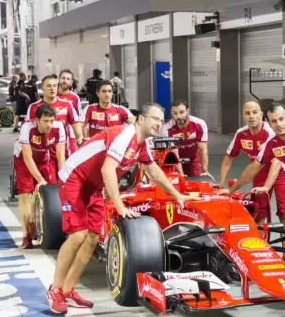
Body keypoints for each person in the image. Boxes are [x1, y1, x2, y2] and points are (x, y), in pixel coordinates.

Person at [46, 103, 198, 314]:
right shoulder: (125, 135)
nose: (158, 124)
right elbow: (107, 169)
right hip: (74, 180)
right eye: (155, 119)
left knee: (92, 238)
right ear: (141, 119)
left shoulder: (142, 144)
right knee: (78, 235)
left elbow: (154, 172)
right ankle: (55, 290)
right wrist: (120, 207)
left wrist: (177, 195)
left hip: (93, 186)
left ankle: (69, 289)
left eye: (161, 121)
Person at [218, 101, 285, 228]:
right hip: (259, 173)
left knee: (284, 214)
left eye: (255, 112)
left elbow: (276, 162)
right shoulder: (241, 134)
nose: (251, 116)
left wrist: (267, 186)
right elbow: (228, 158)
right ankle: (260, 245)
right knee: (258, 213)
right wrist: (221, 182)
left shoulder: (270, 132)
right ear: (243, 116)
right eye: (247, 113)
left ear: (261, 114)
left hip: (282, 173)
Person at [13, 105, 66, 249]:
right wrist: (40, 180)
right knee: (26, 195)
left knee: (53, 194)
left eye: (51, 121)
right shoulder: (27, 128)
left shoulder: (59, 127)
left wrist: (63, 180)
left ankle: (45, 228)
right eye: (45, 121)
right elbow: (28, 158)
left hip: (44, 158)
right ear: (37, 120)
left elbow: (61, 157)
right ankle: (26, 235)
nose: (49, 125)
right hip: (23, 159)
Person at [27, 75, 81, 173]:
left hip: (63, 151)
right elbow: (28, 132)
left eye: (54, 85)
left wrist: (79, 137)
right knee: (45, 185)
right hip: (42, 153)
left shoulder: (67, 105)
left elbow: (75, 123)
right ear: (42, 88)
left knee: (64, 181)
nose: (52, 88)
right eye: (48, 86)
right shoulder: (33, 107)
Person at [76, 80, 134, 144]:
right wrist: (80, 136)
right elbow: (79, 124)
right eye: (104, 91)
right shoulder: (90, 108)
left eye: (109, 91)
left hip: (114, 149)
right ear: (98, 93)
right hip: (95, 148)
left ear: (112, 93)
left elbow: (135, 123)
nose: (107, 94)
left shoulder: (121, 110)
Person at [162, 100, 209, 177]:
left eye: (181, 112)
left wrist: (205, 171)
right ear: (171, 114)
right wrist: (181, 174)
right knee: (178, 184)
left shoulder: (200, 124)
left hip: (193, 159)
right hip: (175, 161)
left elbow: (203, 150)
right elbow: (174, 154)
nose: (179, 116)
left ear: (187, 111)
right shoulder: (166, 129)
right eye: (175, 113)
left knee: (196, 183)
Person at [57, 69, 83, 154]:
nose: (65, 81)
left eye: (68, 79)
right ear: (59, 79)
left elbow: (78, 118)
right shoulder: (52, 94)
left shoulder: (75, 98)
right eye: (63, 78)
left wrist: (79, 135)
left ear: (71, 82)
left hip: (69, 135)